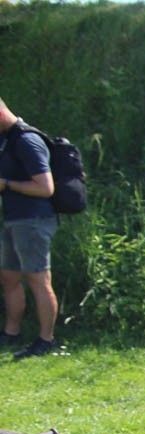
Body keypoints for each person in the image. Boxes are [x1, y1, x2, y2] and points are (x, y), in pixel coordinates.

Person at [0, 97, 60, 359]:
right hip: (13, 220)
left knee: (38, 280)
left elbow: (46, 188)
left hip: (34, 221)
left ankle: (46, 340)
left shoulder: (27, 140)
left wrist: (7, 185)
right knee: (9, 277)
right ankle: (11, 333)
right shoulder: (6, 140)